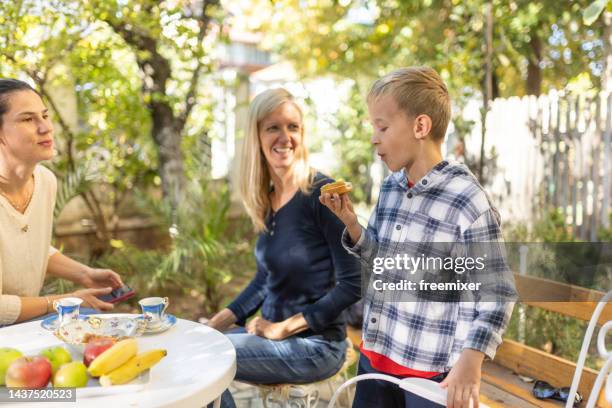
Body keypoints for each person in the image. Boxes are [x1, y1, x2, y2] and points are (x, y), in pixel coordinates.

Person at [320, 67, 516, 408]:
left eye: (382, 127)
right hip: (376, 356)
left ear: (420, 126)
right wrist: (352, 224)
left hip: (431, 374)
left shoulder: (466, 201)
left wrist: (471, 360)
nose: (374, 138)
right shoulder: (391, 188)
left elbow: (497, 293)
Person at [207, 88, 361, 408]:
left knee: (207, 361)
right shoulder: (268, 199)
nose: (285, 136)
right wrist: (212, 326)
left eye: (293, 127)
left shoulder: (321, 194)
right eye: (273, 127)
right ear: (257, 136)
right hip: (269, 340)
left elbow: (354, 283)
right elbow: (265, 279)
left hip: (316, 346)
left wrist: (282, 328)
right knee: (200, 347)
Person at [0, 79, 124, 326]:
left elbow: (27, 250)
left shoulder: (45, 181)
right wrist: (65, 301)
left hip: (24, 325)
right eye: (27, 119)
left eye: (44, 116)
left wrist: (85, 274)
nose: (45, 127)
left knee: (107, 329)